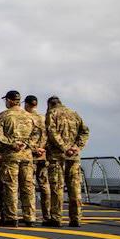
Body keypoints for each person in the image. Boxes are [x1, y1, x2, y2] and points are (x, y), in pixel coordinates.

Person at [0, 90, 40, 227]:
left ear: (9, 100)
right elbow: (37, 134)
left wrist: (12, 144)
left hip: (11, 156)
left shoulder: (3, 116)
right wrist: (27, 144)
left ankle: (11, 217)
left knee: (11, 187)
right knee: (28, 187)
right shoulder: (30, 116)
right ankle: (30, 217)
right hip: (27, 156)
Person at [45, 96, 90, 227]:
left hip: (57, 156)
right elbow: (85, 132)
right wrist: (76, 147)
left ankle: (56, 218)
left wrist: (64, 148)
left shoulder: (51, 114)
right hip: (74, 157)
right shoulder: (74, 114)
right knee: (75, 188)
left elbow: (52, 132)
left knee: (57, 188)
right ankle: (76, 218)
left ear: (50, 104)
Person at [24, 95, 49, 223]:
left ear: (27, 104)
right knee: (45, 185)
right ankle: (47, 214)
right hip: (43, 155)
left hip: (30, 155)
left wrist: (34, 149)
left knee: (30, 186)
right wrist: (43, 148)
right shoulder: (44, 118)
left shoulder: (26, 118)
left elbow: (24, 136)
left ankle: (31, 215)